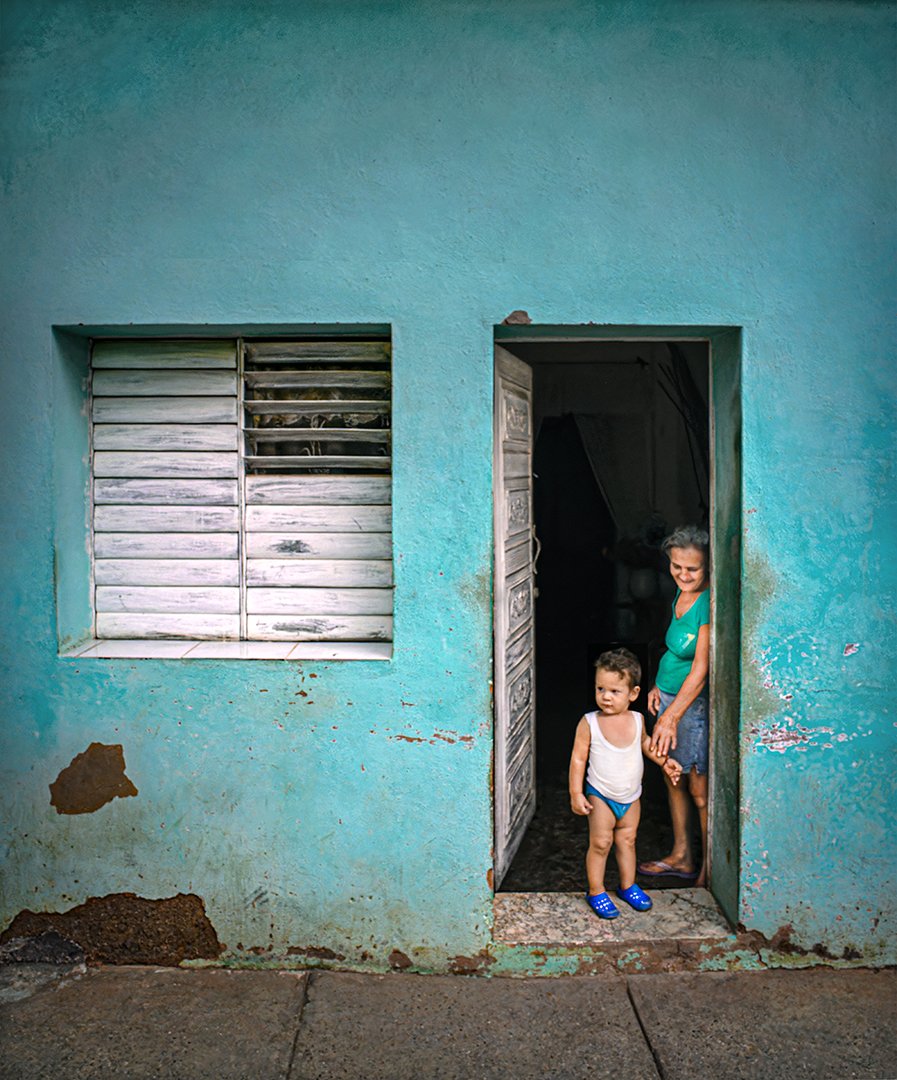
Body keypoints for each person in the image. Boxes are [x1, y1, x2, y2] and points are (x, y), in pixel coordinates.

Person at [569, 648, 683, 919]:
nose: (605, 697)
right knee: (601, 842)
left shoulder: (637, 719)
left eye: (614, 691)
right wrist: (576, 793)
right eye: (600, 689)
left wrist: (665, 762)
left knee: (628, 840)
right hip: (601, 794)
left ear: (633, 694)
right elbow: (577, 759)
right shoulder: (589, 723)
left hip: (631, 795)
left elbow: (645, 744)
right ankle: (596, 891)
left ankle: (627, 885)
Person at [639, 525, 711, 886]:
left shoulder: (707, 604)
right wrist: (656, 685)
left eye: (692, 569)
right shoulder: (679, 596)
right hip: (668, 698)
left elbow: (700, 667)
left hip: (688, 707)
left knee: (699, 790)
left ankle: (711, 870)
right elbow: (674, 651)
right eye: (676, 566)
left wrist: (671, 715)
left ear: (708, 567)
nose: (683, 575)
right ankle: (682, 856)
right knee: (673, 777)